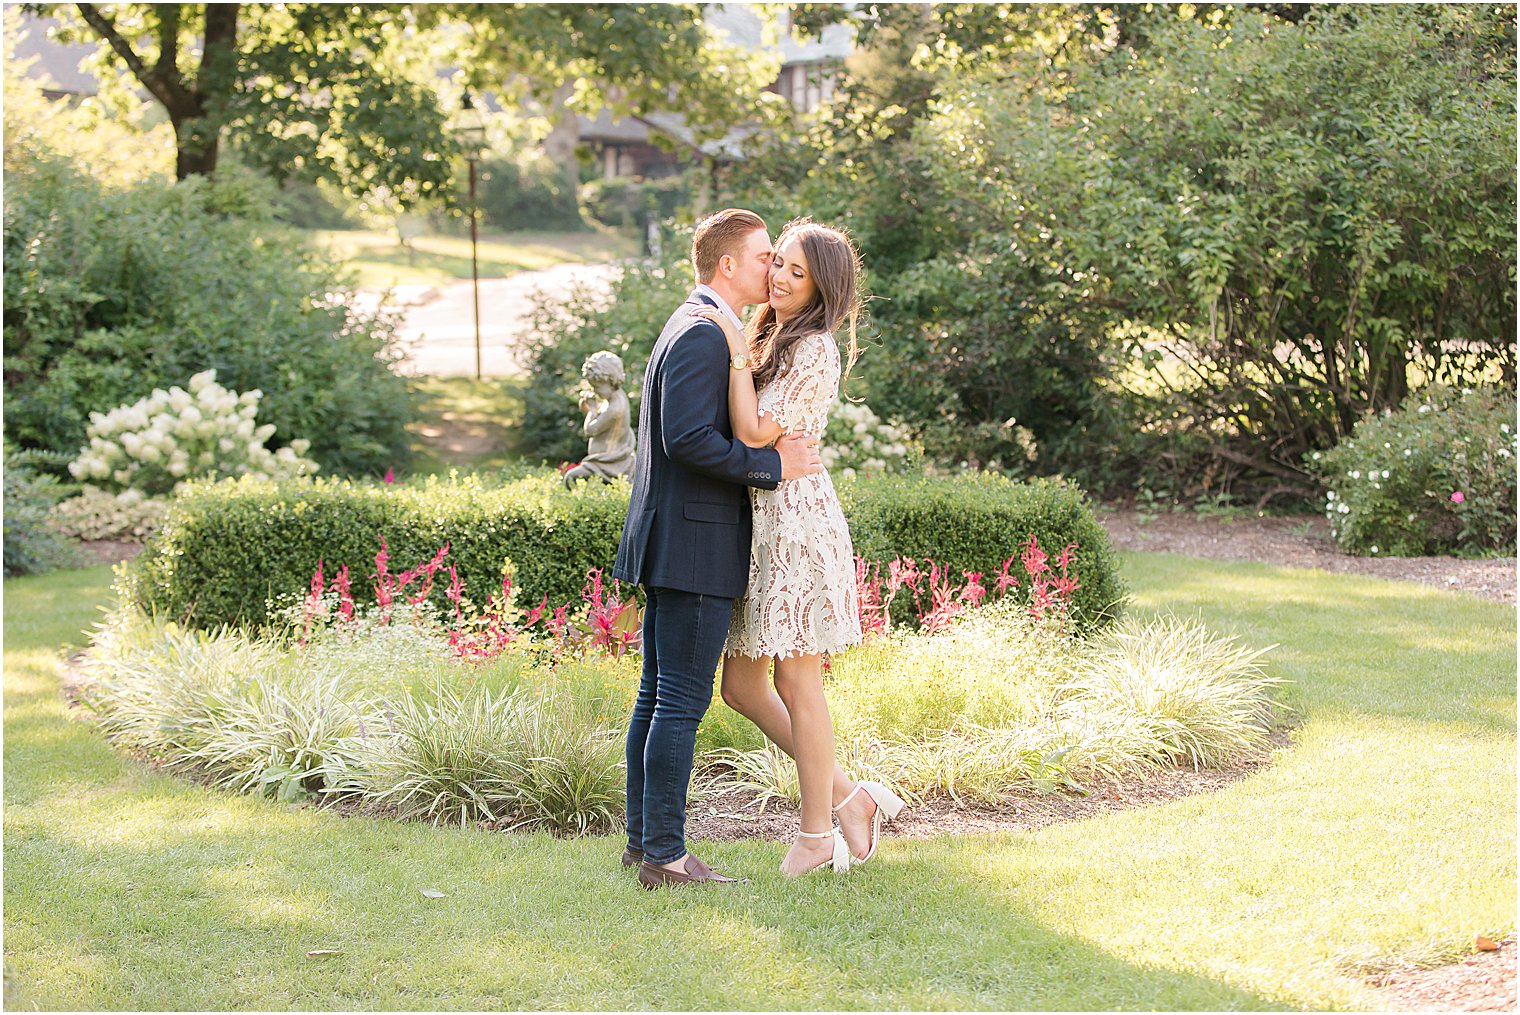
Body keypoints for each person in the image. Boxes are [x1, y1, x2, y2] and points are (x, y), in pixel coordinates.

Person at [613, 208, 824, 890]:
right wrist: (772, 468)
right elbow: (688, 440)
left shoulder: (700, 325)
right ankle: (667, 857)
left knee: (656, 697)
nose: (775, 268)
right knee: (677, 701)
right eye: (766, 256)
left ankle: (645, 843)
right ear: (728, 265)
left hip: (675, 537)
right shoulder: (705, 334)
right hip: (695, 542)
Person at [691, 217, 906, 877]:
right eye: (777, 261)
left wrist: (731, 351)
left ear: (820, 288)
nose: (779, 276)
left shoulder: (812, 346)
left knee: (796, 675)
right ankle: (849, 797)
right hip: (765, 516)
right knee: (742, 686)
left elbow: (754, 430)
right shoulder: (773, 335)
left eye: (795, 271)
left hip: (796, 522)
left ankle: (817, 836)